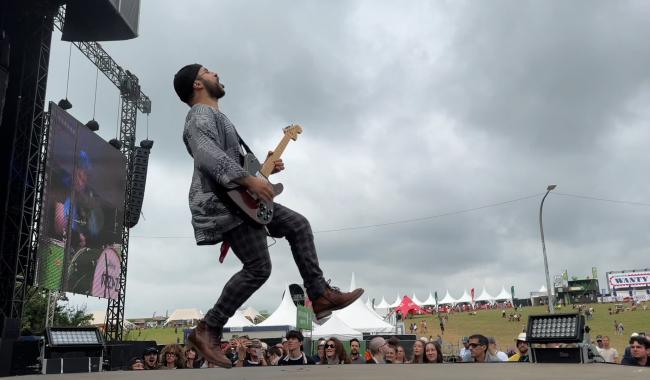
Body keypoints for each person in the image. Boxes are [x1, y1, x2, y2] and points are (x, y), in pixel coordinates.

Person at [174, 63, 364, 369]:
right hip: (224, 204)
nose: (217, 73)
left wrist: (261, 169)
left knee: (298, 226)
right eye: (209, 72)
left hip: (239, 198)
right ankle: (207, 328)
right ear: (197, 84)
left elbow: (229, 160)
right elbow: (206, 153)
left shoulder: (218, 117)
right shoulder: (199, 115)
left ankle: (320, 295)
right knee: (258, 268)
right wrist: (250, 181)